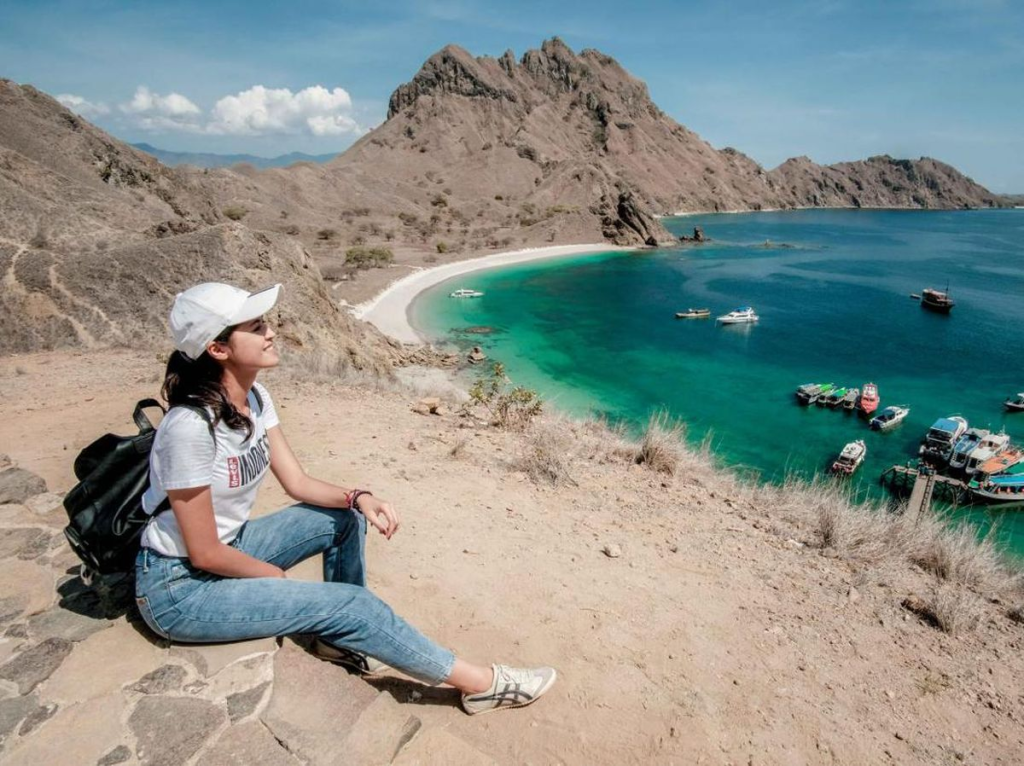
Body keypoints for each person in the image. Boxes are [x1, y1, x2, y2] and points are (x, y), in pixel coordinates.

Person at [134, 281, 556, 715]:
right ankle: (481, 685)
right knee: (350, 605)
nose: (271, 332)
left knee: (345, 517)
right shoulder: (190, 429)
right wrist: (270, 578)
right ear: (218, 349)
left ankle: (339, 638)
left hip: (231, 547)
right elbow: (203, 553)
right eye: (257, 326)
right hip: (180, 589)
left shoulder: (255, 398)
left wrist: (359, 497)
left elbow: (297, 482)